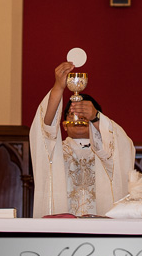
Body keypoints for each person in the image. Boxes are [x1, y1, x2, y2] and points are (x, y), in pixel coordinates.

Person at [30, 61, 135, 217]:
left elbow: (123, 146)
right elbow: (44, 128)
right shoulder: (56, 150)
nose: (79, 119)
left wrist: (96, 117)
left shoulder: (105, 150)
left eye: (85, 115)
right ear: (64, 124)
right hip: (64, 225)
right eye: (72, 114)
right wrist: (58, 87)